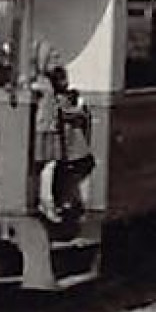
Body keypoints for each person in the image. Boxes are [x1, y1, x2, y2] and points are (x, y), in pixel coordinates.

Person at [34, 62, 94, 223]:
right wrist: (80, 107)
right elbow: (68, 113)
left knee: (47, 167)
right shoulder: (58, 96)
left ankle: (48, 202)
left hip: (43, 130)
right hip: (49, 131)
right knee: (50, 165)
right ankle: (48, 202)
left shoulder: (44, 88)